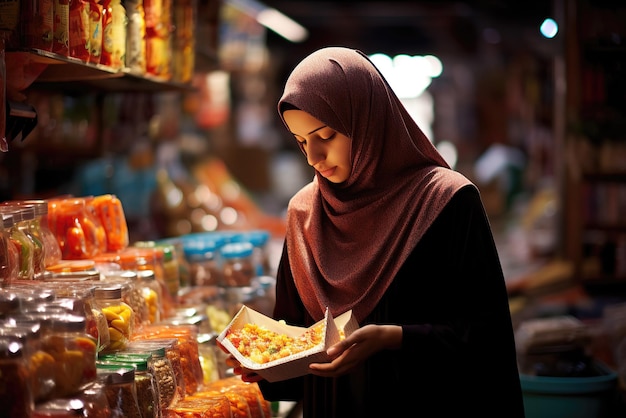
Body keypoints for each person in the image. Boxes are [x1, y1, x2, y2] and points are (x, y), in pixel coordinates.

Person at [227, 46, 525, 417]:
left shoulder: (446, 201)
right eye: (301, 141)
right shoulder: (304, 214)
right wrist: (263, 366)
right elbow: (299, 360)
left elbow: (486, 338)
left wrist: (394, 338)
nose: (313, 158)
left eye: (326, 135)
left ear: (366, 121)